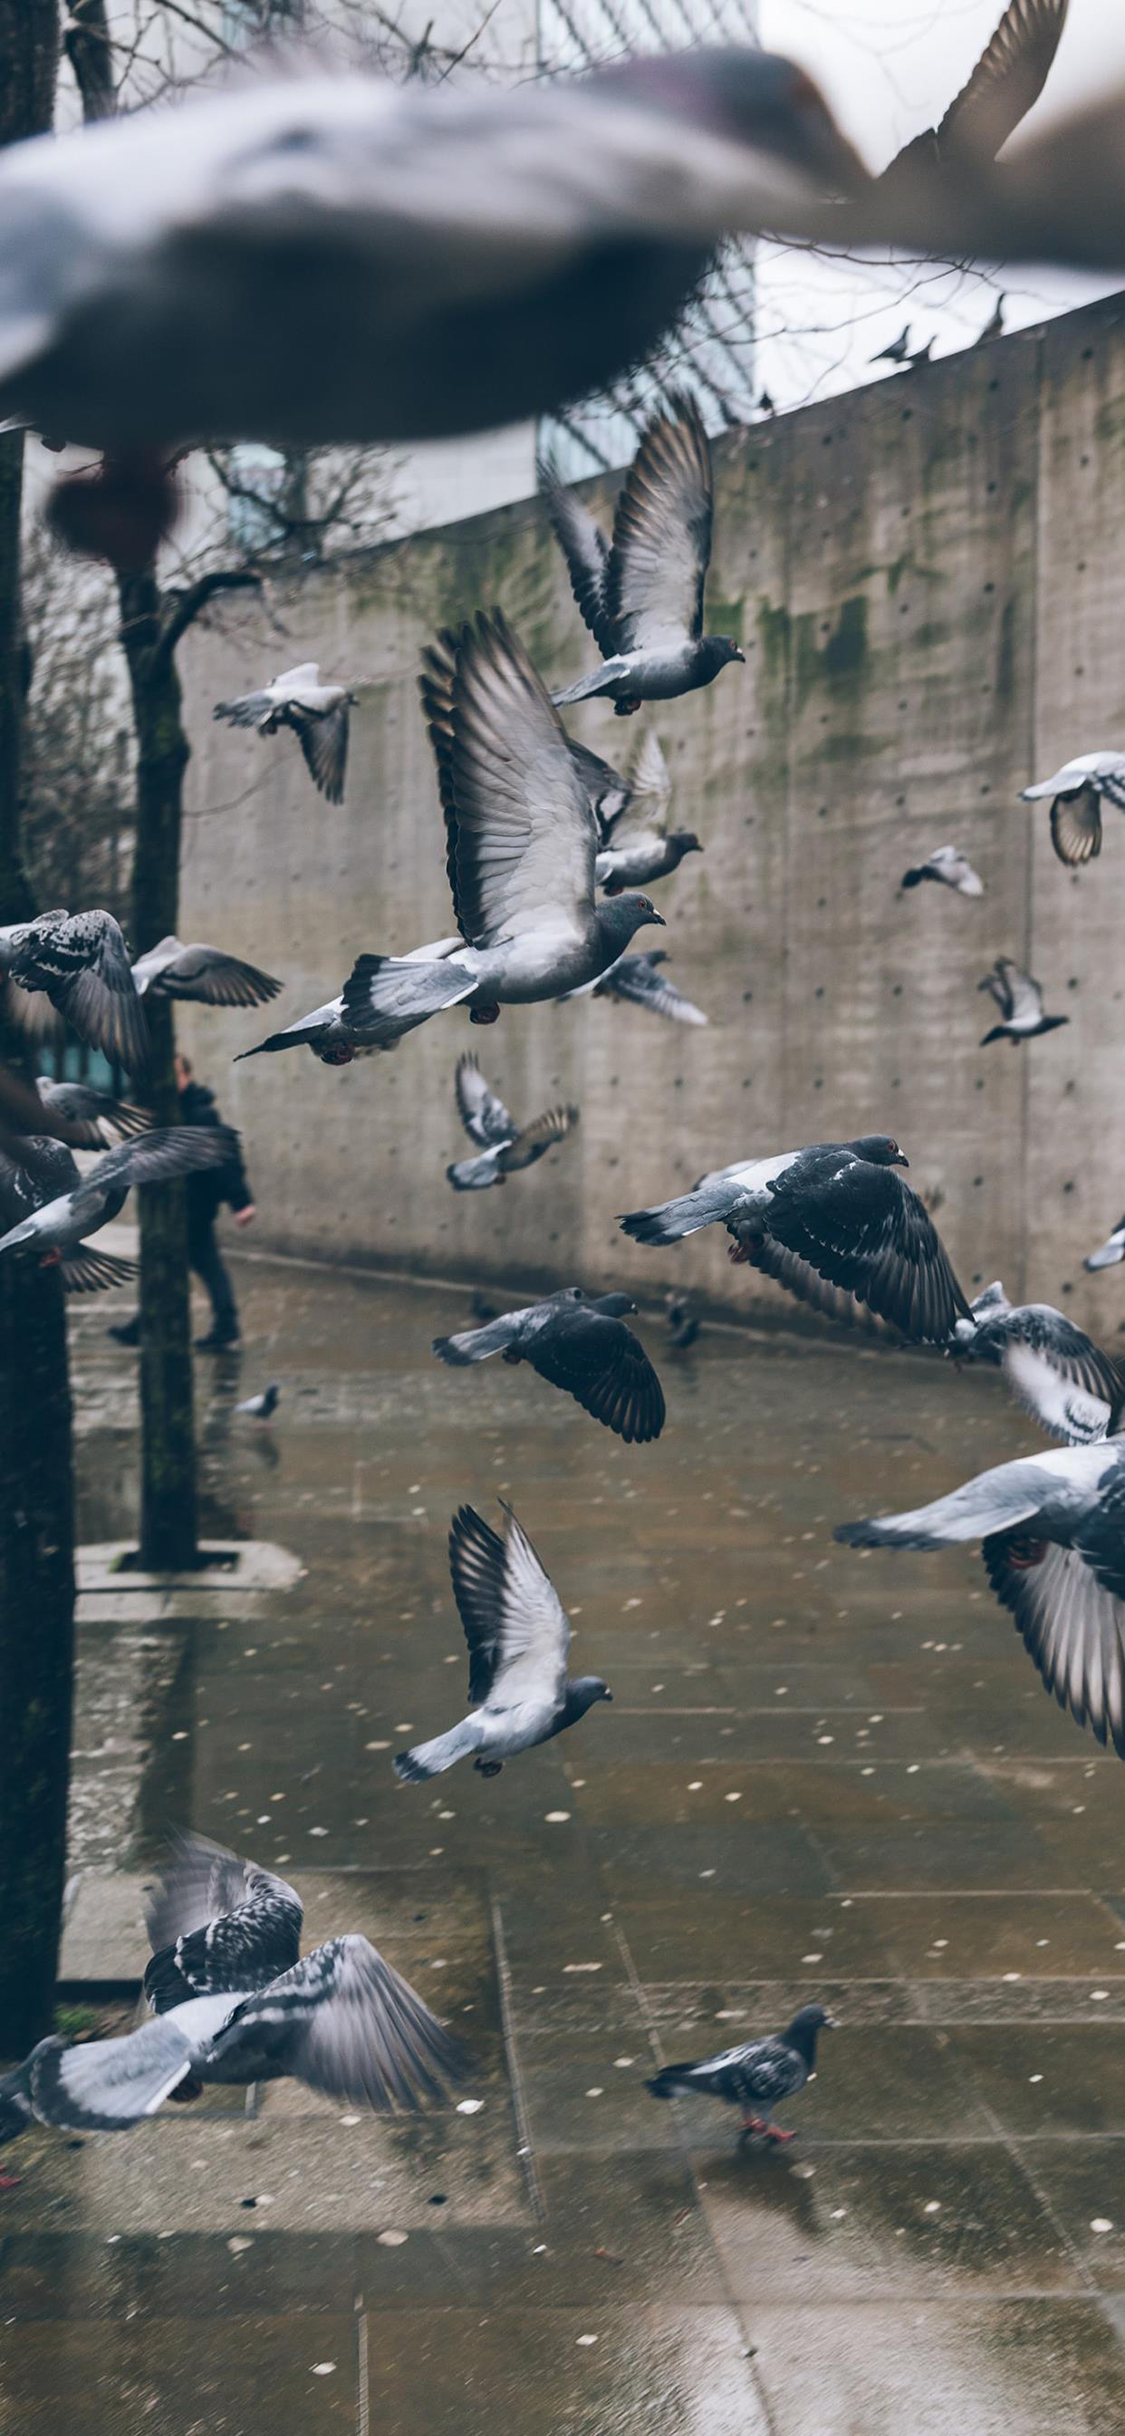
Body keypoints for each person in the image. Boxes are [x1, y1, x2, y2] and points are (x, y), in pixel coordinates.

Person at [109, 1052, 256, 1350]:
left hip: (194, 1208)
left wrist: (241, 1202)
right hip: (178, 1208)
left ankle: (220, 1326)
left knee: (191, 1266)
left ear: (186, 1076)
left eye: (176, 1075)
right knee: (179, 1266)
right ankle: (151, 1326)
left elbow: (225, 1161)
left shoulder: (200, 1114)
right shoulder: (166, 1112)